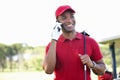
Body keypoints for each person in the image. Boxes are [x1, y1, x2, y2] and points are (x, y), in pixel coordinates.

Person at [42, 5, 106, 80]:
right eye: (64, 17)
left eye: (72, 16)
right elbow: (48, 70)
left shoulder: (90, 41)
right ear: (57, 21)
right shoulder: (52, 45)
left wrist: (92, 64)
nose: (69, 20)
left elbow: (102, 71)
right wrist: (54, 38)